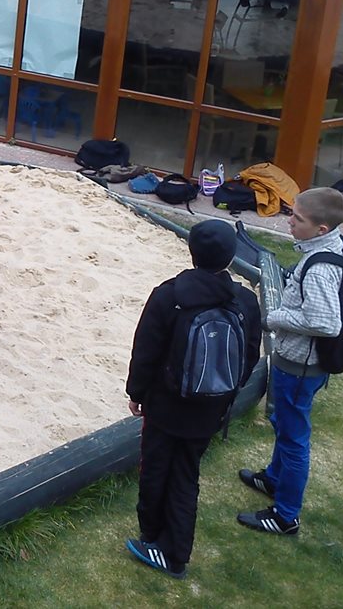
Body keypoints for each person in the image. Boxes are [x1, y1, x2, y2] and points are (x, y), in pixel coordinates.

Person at [123, 219, 262, 579]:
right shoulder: (246, 301)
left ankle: (162, 545)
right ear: (231, 258)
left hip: (166, 406)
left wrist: (136, 393)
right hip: (210, 408)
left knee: (156, 468)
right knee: (186, 473)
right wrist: (227, 393)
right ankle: (169, 546)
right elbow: (249, 356)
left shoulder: (169, 296)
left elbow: (146, 351)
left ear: (191, 252)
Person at [236, 186, 343, 537]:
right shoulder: (335, 246)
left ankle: (286, 516)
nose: (290, 222)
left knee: (294, 438)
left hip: (301, 366)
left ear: (321, 229)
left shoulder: (318, 269)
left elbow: (326, 323)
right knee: (284, 424)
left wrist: (276, 318)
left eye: (297, 219)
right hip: (304, 363)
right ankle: (274, 478)